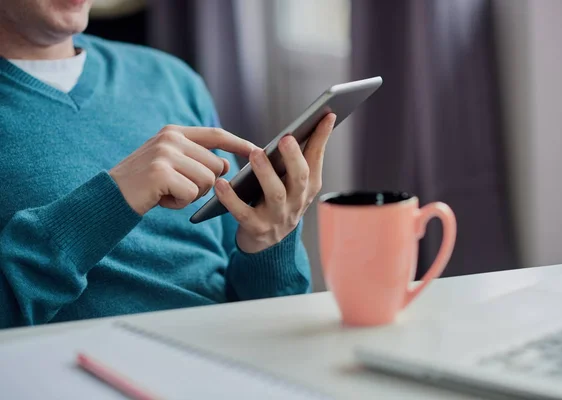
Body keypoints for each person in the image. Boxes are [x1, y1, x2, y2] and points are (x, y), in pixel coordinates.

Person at [0, 0, 336, 329]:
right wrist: (113, 199)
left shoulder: (172, 80)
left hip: (233, 357)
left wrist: (269, 240)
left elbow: (269, 316)